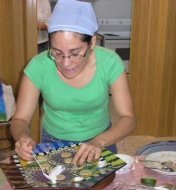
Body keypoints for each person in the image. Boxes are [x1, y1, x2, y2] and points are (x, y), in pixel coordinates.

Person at [10, 0, 136, 165]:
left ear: (91, 43)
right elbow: (19, 119)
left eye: (75, 53)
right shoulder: (38, 66)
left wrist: (99, 141)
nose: (66, 63)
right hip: (53, 143)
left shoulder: (110, 63)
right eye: (57, 53)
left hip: (101, 141)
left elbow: (128, 119)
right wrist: (22, 137)